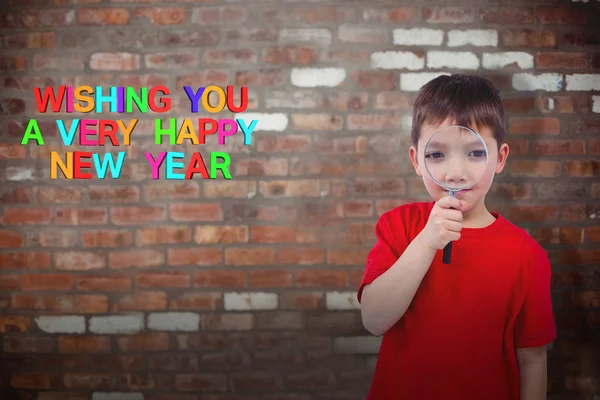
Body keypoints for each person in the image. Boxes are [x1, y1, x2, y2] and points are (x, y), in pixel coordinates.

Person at [357, 74, 556, 400]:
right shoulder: (398, 226)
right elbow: (374, 320)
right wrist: (427, 241)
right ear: (416, 162)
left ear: (501, 158)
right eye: (436, 155)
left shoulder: (526, 255)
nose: (455, 173)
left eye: (475, 153)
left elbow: (533, 359)